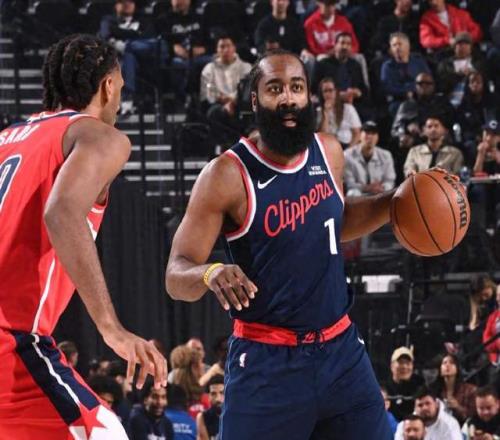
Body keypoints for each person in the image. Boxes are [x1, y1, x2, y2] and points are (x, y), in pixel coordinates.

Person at [166, 48, 397, 439]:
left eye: (296, 87)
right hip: (267, 362)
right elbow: (175, 274)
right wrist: (210, 272)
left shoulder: (329, 151)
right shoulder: (226, 174)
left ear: (309, 96)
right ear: (255, 100)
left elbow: (333, 221)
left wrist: (395, 202)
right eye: (275, 89)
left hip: (341, 352)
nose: (288, 98)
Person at [0, 34, 167, 439]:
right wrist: (112, 329)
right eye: (120, 86)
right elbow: (61, 212)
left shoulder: (7, 139)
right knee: (105, 433)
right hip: (13, 341)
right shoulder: (98, 136)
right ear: (108, 86)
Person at [200, 34, 251, 146]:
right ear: (217, 50)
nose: (225, 50)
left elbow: (247, 90)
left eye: (228, 46)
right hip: (218, 105)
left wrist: (232, 101)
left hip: (240, 105)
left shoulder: (246, 67)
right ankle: (218, 148)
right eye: (222, 46)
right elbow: (208, 92)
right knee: (213, 113)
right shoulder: (209, 69)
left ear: (234, 48)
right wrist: (225, 104)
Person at [312, 32, 369, 118]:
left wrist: (357, 93)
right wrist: (337, 95)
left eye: (348, 44)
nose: (345, 47)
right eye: (342, 43)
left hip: (353, 103)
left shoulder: (355, 65)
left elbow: (363, 89)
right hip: (330, 103)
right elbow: (314, 89)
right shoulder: (323, 64)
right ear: (335, 45)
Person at [380, 32, 430, 115]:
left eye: (400, 44)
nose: (397, 48)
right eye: (394, 45)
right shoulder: (387, 66)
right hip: (399, 101)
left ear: (408, 46)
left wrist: (413, 90)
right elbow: (388, 87)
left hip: (421, 98)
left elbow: (428, 80)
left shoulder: (418, 62)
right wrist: (407, 92)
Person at [344, 120, 396, 197]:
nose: (370, 136)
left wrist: (382, 187)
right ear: (360, 135)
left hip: (380, 193)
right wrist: (367, 188)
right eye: (367, 133)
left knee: (390, 192)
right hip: (360, 194)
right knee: (352, 193)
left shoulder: (386, 155)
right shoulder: (347, 155)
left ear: (377, 137)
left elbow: (390, 180)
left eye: (373, 133)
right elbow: (349, 183)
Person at [395, 386, 462, 440]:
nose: (424, 408)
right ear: (415, 407)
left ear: (436, 404)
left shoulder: (450, 424)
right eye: (420, 405)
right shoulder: (404, 425)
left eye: (428, 403)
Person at [430, 354, 477, 424]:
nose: (447, 365)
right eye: (444, 363)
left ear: (457, 368)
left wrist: (458, 407)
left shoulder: (470, 390)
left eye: (451, 363)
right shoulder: (434, 390)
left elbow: (474, 416)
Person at [316, 76, 361, 148]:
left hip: (347, 146)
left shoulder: (348, 109)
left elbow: (357, 134)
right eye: (325, 91)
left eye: (330, 90)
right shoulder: (319, 111)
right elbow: (323, 137)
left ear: (336, 91)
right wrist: (326, 113)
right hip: (328, 147)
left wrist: (348, 151)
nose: (328, 94)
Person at [386, 347, 425, 421]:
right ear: (392, 366)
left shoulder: (420, 386)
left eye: (408, 363)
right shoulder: (383, 388)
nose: (404, 366)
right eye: (400, 362)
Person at [196, 375, 224, 440]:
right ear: (208, 396)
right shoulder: (203, 417)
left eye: (222, 393)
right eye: (213, 394)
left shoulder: (235, 416)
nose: (218, 399)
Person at [483, 285, 500, 367]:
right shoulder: (493, 316)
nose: (498, 299)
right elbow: (486, 339)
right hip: (495, 362)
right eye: (497, 295)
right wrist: (498, 343)